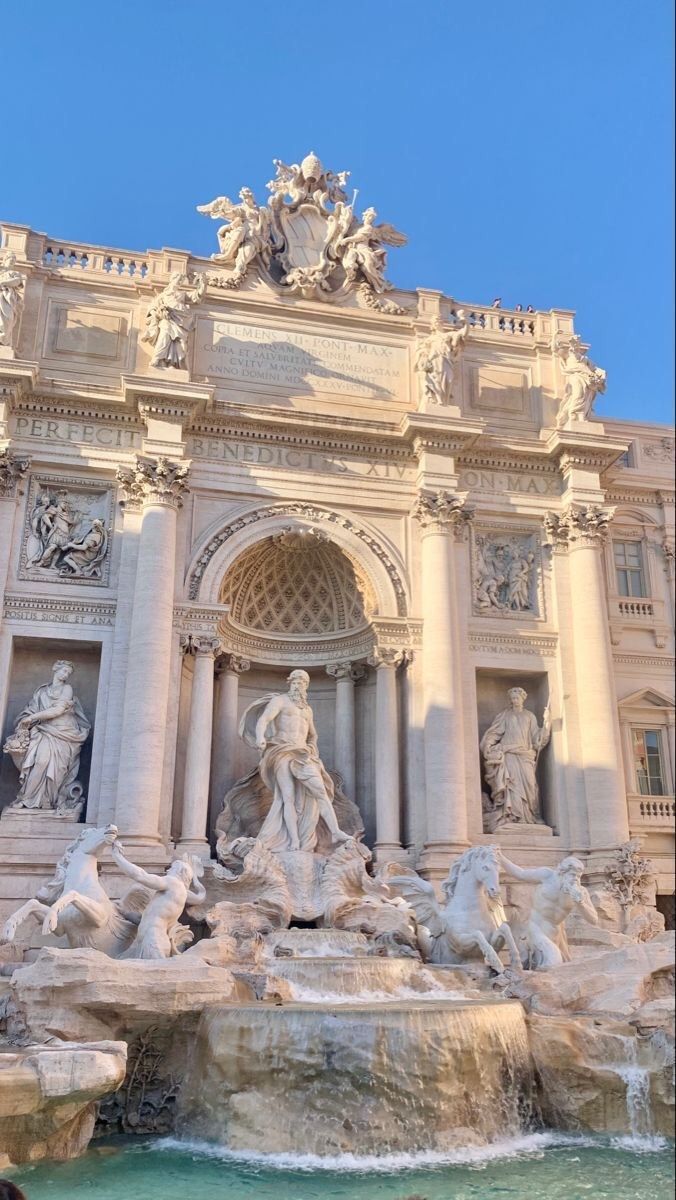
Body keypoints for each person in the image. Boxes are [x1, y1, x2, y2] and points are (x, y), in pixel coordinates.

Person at [239, 669, 351, 853]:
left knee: (320, 792)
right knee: (287, 797)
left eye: (302, 682)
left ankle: (336, 831)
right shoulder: (280, 701)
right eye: (296, 682)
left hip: (302, 755)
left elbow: (313, 735)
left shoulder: (307, 710)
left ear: (306, 686)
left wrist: (312, 749)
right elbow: (264, 720)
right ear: (290, 683)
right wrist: (260, 737)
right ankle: (294, 841)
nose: (299, 685)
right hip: (281, 751)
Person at [5, 661, 90, 813]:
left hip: (64, 733)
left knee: (57, 769)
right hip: (44, 730)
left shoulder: (67, 689)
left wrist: (31, 718)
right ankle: (26, 799)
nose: (65, 675)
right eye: (64, 671)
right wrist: (27, 720)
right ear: (55, 669)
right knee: (40, 761)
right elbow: (31, 709)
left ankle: (48, 801)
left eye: (68, 673)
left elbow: (57, 710)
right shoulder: (42, 691)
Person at [498, 852, 598, 969]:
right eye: (572, 875)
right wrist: (500, 858)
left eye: (578, 876)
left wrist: (580, 904)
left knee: (555, 967)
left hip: (555, 934)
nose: (575, 879)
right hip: (535, 928)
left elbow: (594, 920)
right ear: (562, 872)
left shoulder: (580, 892)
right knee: (553, 960)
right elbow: (520, 874)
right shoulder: (547, 876)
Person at [480, 687, 551, 827]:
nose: (514, 700)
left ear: (522, 698)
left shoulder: (529, 716)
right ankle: (512, 816)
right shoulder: (505, 715)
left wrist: (547, 723)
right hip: (510, 754)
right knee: (512, 785)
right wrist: (488, 745)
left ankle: (529, 816)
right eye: (512, 698)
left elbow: (537, 738)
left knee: (530, 785)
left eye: (517, 698)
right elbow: (495, 733)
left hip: (525, 755)